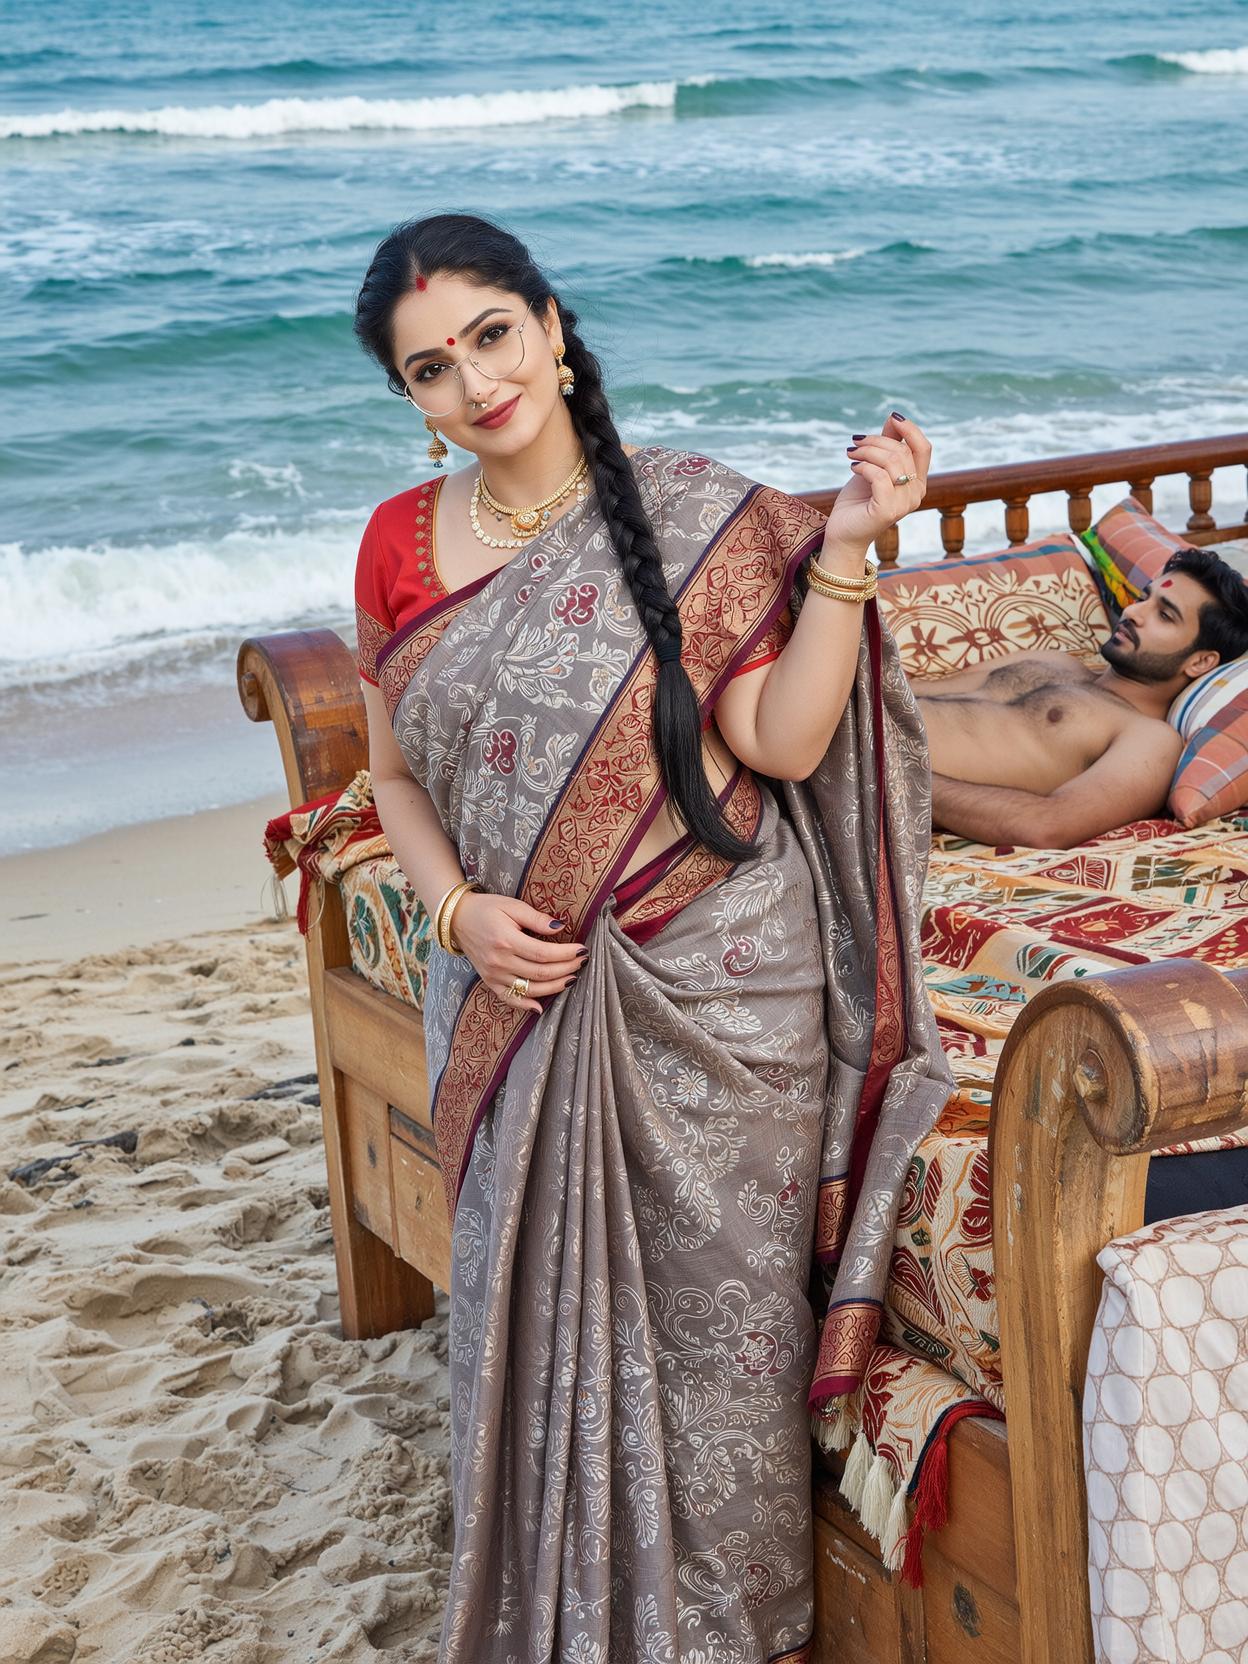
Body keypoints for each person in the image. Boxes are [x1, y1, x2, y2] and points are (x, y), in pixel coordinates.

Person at [350, 211, 954, 1664]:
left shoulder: (691, 516)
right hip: (515, 993)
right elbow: (394, 778)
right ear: (412, 401)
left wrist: (847, 558)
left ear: (554, 327)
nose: (476, 382)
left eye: (493, 336)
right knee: (528, 1325)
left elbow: (782, 742)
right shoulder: (393, 549)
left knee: (719, 1349)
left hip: (722, 994)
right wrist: (456, 915)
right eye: (432, 369)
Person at [918, 546, 1248, 848]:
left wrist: (902, 778)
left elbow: (1047, 825)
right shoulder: (1054, 662)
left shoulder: (1150, 740)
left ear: (1201, 661)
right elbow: (912, 689)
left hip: (878, 776)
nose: (1133, 612)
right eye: (1144, 598)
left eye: (1164, 615)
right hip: (869, 724)